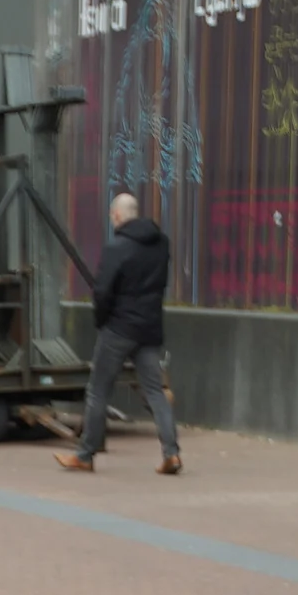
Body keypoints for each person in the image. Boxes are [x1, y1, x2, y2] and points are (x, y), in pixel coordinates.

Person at [63, 190, 182, 476]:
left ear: (117, 216)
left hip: (118, 328)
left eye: (111, 216)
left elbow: (103, 291)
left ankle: (86, 454)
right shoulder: (161, 244)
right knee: (155, 391)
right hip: (149, 327)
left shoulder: (116, 247)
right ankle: (172, 453)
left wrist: (102, 321)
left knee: (98, 390)